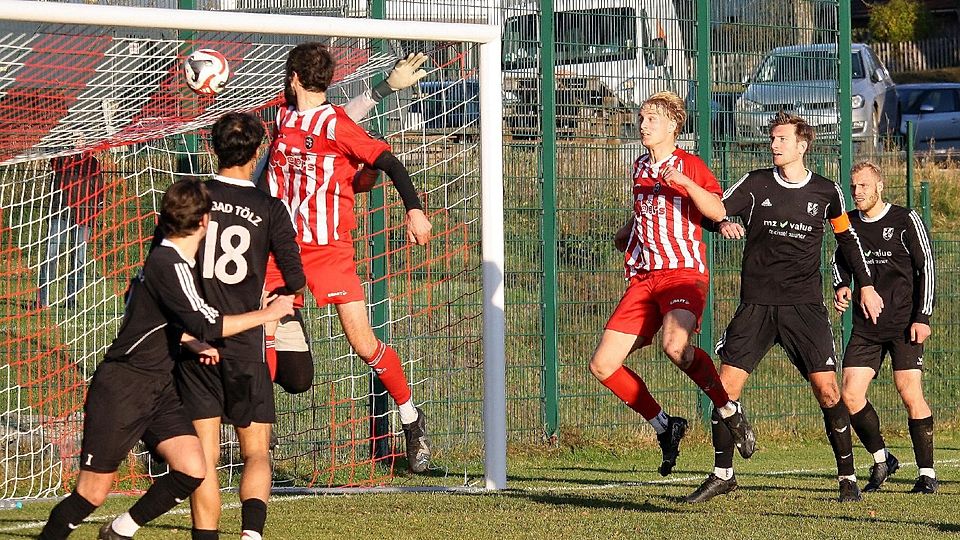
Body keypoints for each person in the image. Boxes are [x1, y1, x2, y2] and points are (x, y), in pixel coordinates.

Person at [39, 179, 294, 540]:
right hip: (124, 388)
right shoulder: (169, 262)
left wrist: (191, 343)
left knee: (192, 468)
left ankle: (119, 531)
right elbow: (210, 323)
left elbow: (166, 319)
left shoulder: (175, 261)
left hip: (158, 389)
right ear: (204, 222)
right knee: (91, 494)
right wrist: (268, 314)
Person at [685, 111, 885, 504]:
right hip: (756, 305)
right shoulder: (756, 183)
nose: (774, 145)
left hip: (805, 309)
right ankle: (722, 473)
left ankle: (847, 477)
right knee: (725, 391)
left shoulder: (827, 192)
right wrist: (721, 224)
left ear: (801, 145)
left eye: (781, 139)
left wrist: (865, 285)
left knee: (829, 392)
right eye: (772, 139)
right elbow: (716, 210)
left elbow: (847, 242)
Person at [262, 42, 433, 473]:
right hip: (281, 251)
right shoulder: (282, 117)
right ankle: (259, 427)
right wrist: (383, 88)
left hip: (330, 252)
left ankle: (411, 420)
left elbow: (388, 163)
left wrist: (414, 210)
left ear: (294, 78)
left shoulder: (335, 124)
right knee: (257, 331)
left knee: (363, 343)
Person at [591, 91, 754, 477]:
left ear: (673, 126)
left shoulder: (690, 164)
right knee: (602, 365)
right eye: (642, 117)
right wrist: (627, 233)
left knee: (675, 346)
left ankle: (728, 407)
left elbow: (716, 208)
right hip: (645, 278)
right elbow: (648, 215)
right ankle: (665, 425)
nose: (644, 124)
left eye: (652, 118)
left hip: (683, 272)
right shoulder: (639, 168)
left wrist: (684, 183)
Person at [175, 113, 305, 540]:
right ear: (256, 153)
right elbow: (296, 277)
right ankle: (251, 535)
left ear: (213, 148)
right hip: (246, 340)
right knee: (255, 451)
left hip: (198, 340)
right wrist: (277, 293)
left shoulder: (193, 197)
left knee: (205, 456)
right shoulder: (269, 208)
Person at [833, 161, 937, 494]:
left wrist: (923, 317)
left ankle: (927, 475)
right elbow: (840, 259)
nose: (857, 192)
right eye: (853, 187)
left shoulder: (905, 220)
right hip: (867, 326)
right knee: (849, 396)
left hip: (905, 324)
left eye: (863, 185)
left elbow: (926, 268)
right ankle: (883, 459)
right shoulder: (847, 222)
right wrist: (842, 285)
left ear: (880, 186)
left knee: (910, 393)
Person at [38, 147, 104, 308]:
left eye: (82, 136)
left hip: (84, 216)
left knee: (79, 260)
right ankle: (42, 301)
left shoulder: (94, 164)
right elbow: (49, 152)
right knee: (50, 256)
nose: (79, 140)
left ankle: (71, 299)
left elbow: (100, 190)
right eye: (75, 136)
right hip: (60, 213)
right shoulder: (61, 159)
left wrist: (96, 210)